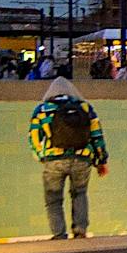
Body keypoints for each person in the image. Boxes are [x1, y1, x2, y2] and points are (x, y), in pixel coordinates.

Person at [29, 70, 107, 241]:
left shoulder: (42, 109)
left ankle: (58, 234)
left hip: (53, 160)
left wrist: (40, 156)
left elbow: (34, 137)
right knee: (79, 193)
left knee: (53, 199)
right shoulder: (85, 108)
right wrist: (101, 161)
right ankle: (80, 231)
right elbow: (97, 135)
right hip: (82, 158)